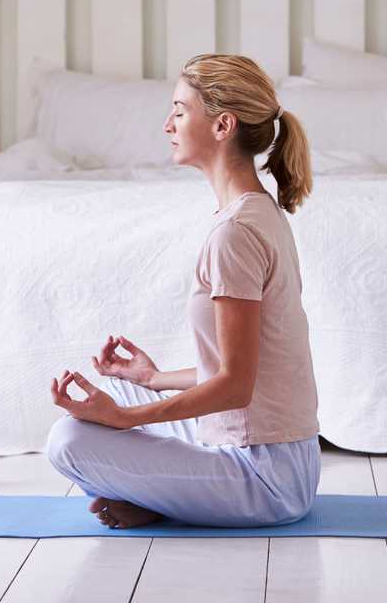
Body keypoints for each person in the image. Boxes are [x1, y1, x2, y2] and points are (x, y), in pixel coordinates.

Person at [44, 53, 321, 529]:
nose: (167, 124)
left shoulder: (234, 233)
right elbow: (250, 367)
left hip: (267, 477)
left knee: (68, 442)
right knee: (114, 396)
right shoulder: (260, 212)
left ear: (222, 126)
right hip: (277, 453)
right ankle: (166, 495)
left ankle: (166, 499)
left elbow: (236, 384)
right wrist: (151, 380)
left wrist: (126, 422)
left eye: (179, 109)